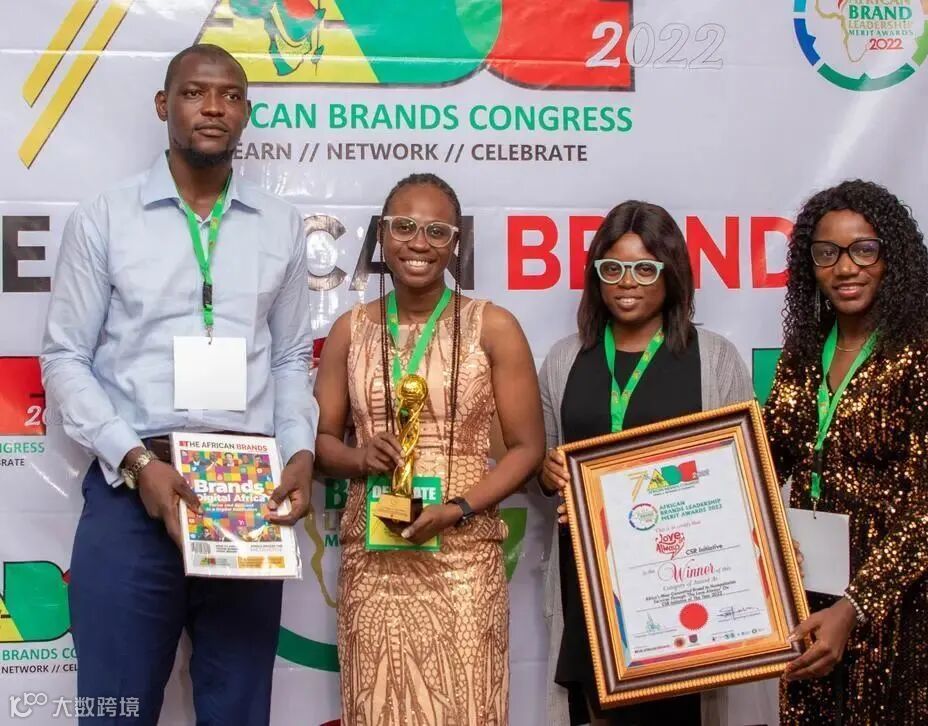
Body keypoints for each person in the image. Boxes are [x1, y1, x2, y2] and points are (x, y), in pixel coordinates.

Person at [40, 44, 317, 725]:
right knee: (113, 709)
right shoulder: (106, 217)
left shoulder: (281, 226)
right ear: (164, 105)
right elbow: (65, 357)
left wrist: (300, 452)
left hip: (244, 494)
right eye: (195, 93)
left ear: (246, 112)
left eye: (229, 95)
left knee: (238, 710)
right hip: (134, 490)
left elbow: (289, 360)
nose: (213, 107)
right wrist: (137, 463)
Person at [313, 172, 545, 725]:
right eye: (404, 227)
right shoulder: (350, 330)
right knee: (376, 706)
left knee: (466, 705)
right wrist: (359, 458)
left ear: (456, 243)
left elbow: (527, 448)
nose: (419, 243)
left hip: (462, 555)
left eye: (437, 231)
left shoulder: (494, 326)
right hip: (375, 557)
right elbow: (320, 444)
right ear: (381, 235)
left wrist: (458, 508)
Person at [765, 180, 928, 725]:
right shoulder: (803, 354)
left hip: (916, 605)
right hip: (818, 591)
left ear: (892, 257)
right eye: (827, 253)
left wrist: (856, 606)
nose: (846, 268)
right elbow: (763, 459)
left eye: (864, 250)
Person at [536, 200, 752, 726]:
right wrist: (546, 471)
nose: (626, 282)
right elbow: (539, 457)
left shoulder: (714, 357)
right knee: (594, 708)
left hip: (680, 579)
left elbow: (744, 472)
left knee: (677, 712)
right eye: (611, 268)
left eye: (644, 268)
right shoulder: (565, 358)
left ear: (670, 272)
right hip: (587, 579)